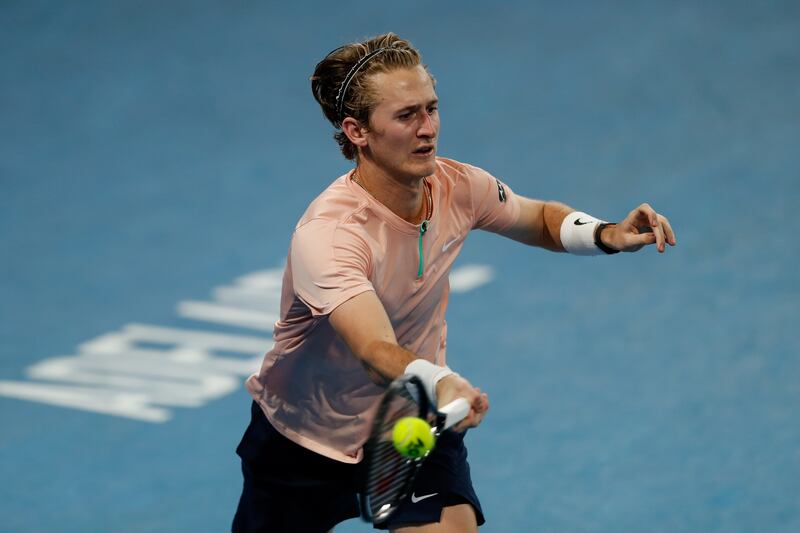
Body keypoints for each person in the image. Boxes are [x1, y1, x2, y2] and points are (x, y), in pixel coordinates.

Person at [232, 33, 676, 533]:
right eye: (406, 116)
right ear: (357, 131)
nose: (428, 130)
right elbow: (375, 347)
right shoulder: (330, 236)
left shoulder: (457, 186)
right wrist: (441, 381)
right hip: (302, 438)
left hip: (411, 417)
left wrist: (607, 233)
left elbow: (537, 218)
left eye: (431, 109)